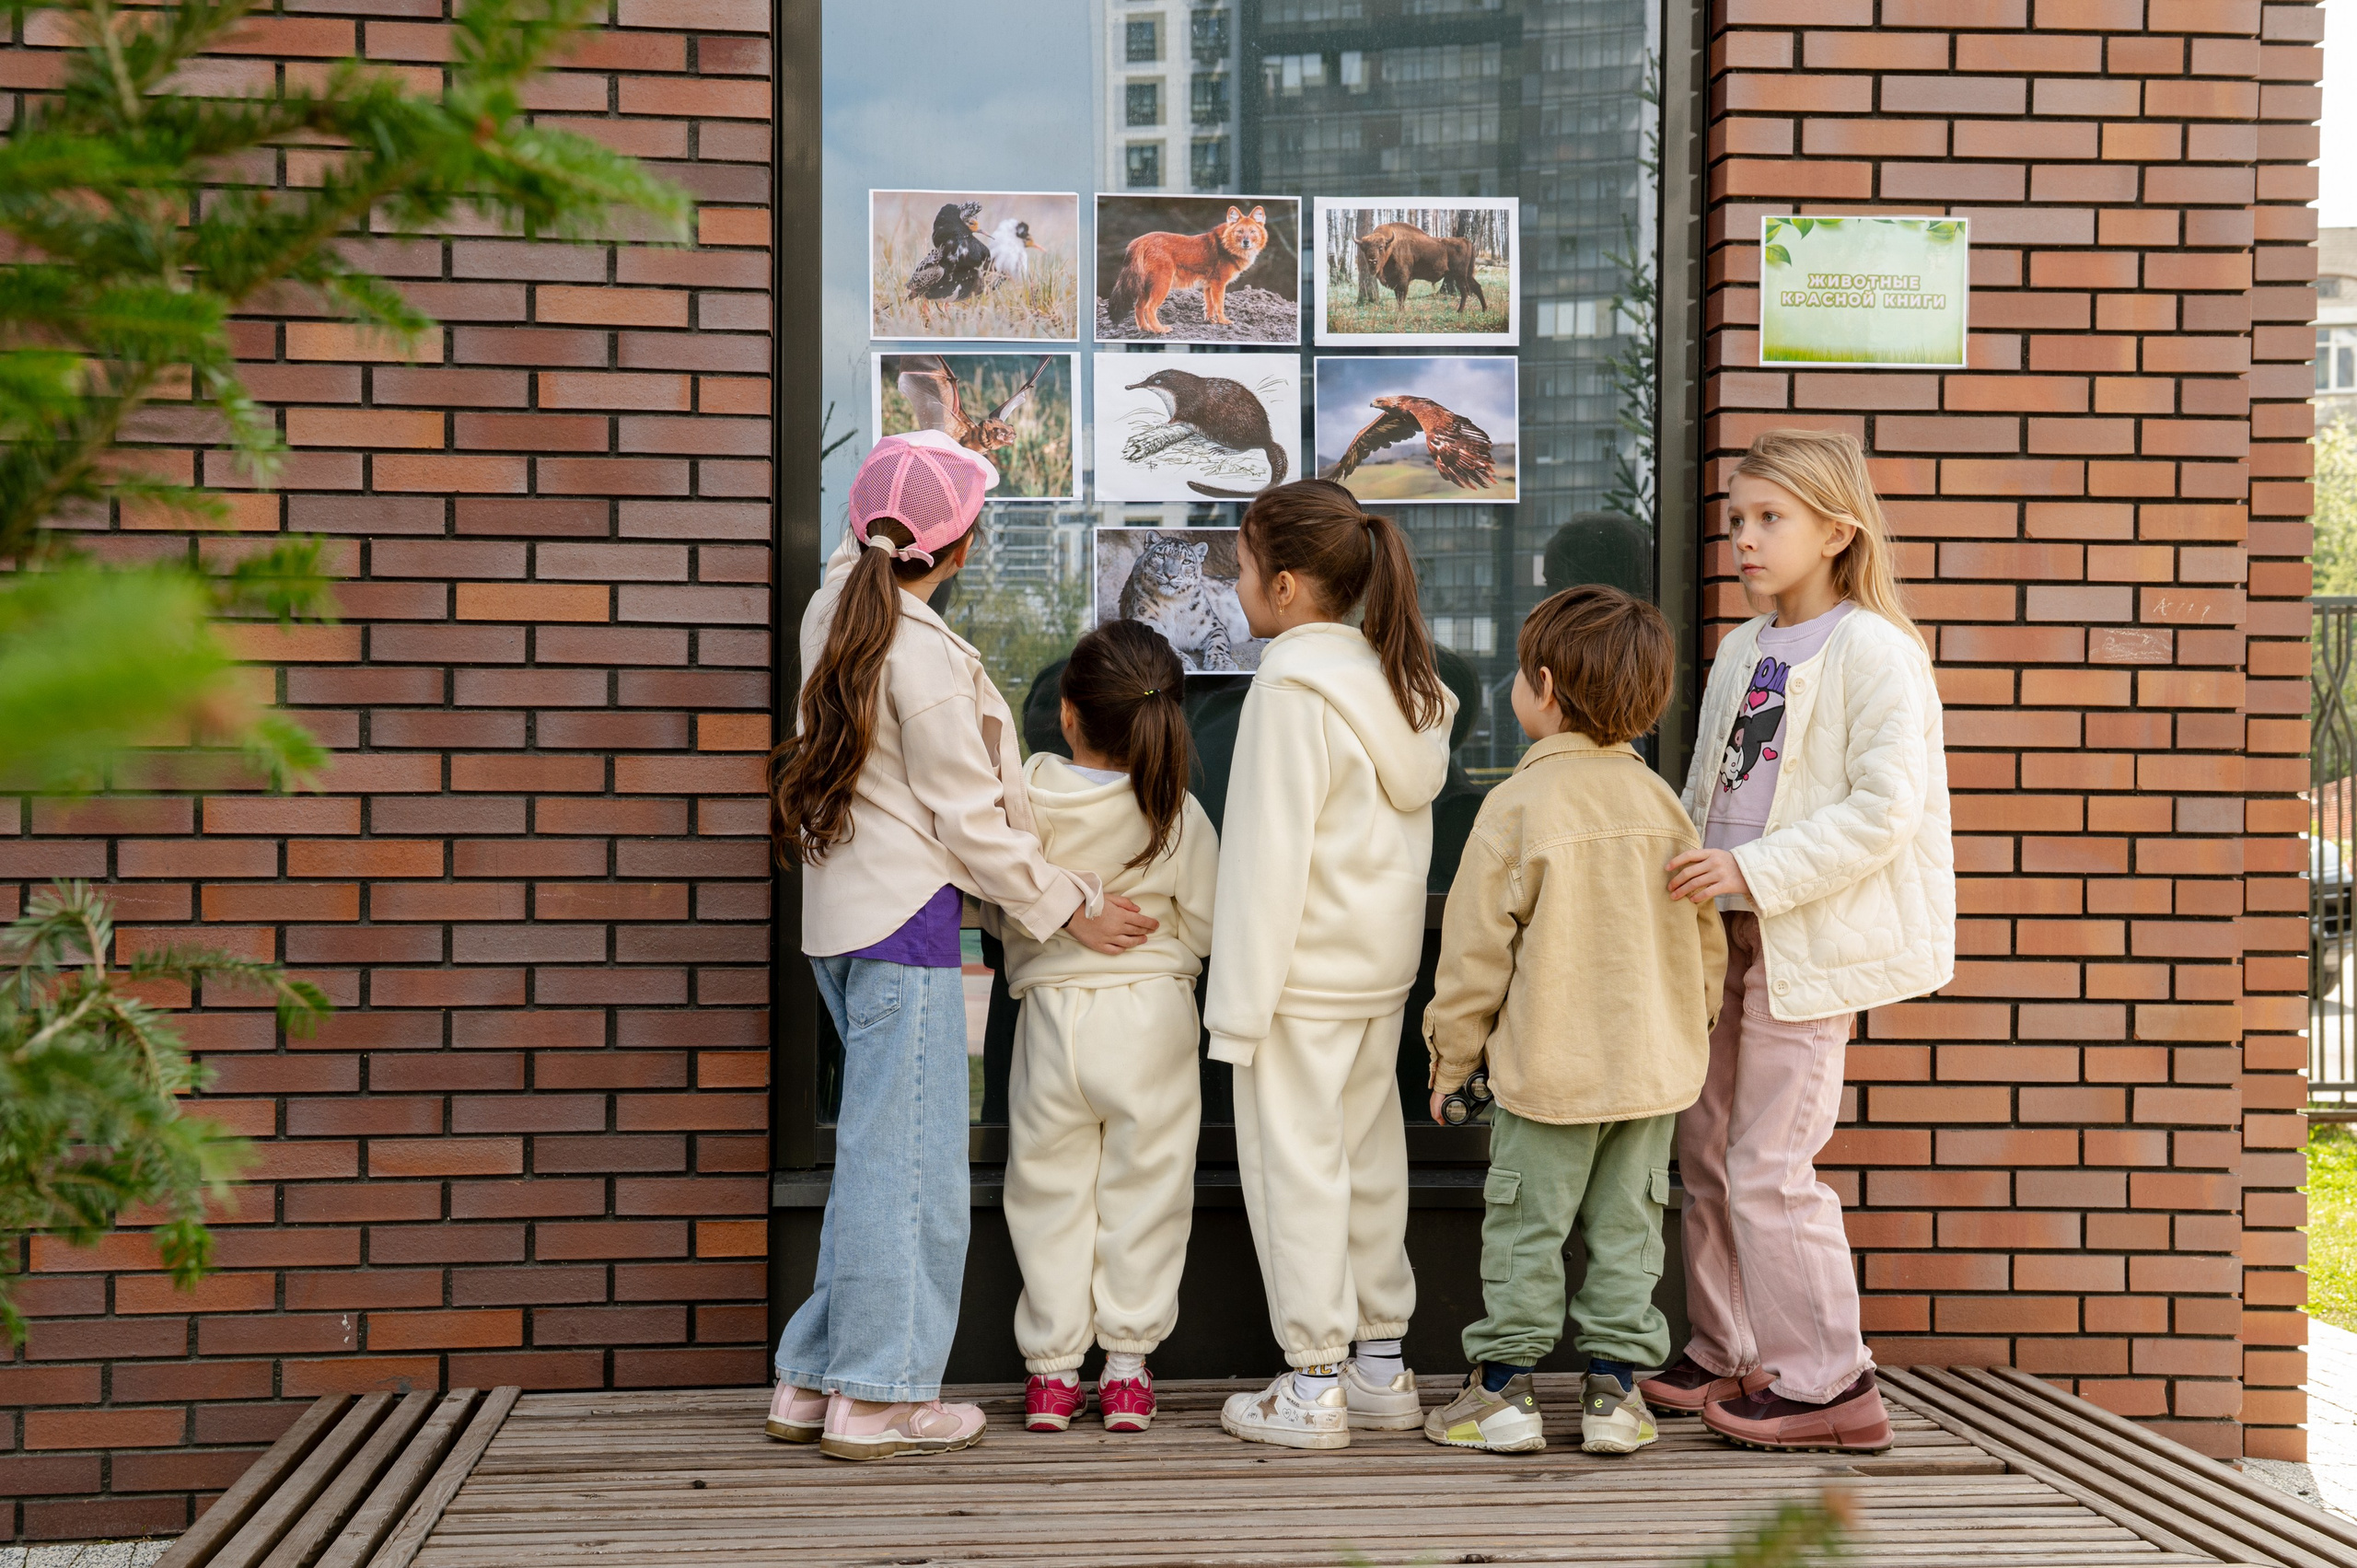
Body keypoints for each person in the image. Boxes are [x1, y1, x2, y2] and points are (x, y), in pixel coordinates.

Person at [765, 431, 1156, 1462]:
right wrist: (1071, 902)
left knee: (870, 1158)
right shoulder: (921, 652)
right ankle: (884, 1396)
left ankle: (815, 1375)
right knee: (914, 1170)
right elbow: (972, 824)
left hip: (842, 920)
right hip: (906, 927)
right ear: (963, 547)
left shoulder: (835, 605)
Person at [1643, 427, 1954, 1454]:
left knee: (1770, 1156)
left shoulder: (1876, 648)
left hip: (1806, 935)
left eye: (1769, 518)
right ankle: (1730, 1344)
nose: (1743, 538)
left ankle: (1831, 1380)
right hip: (1725, 930)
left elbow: (1884, 809)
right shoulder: (1744, 646)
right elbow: (1708, 791)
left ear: (1835, 529)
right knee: (1706, 1143)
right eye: (1736, 519)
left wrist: (1751, 871)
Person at [1418, 586, 1725, 1456]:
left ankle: (1504, 1392)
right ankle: (1617, 1393)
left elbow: (1474, 958)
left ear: (1543, 686)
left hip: (1547, 1072)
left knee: (1524, 1229)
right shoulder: (1665, 804)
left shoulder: (1516, 807)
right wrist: (1688, 1027)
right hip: (1651, 1077)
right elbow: (1707, 944)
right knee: (1630, 1232)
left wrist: (1451, 1065)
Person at [1206, 480, 1457, 1451]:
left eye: (1235, 568)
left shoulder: (1288, 686)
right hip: (1375, 976)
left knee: (1296, 1172)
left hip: (1296, 983)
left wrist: (1235, 1009)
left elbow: (1266, 859)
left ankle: (1311, 1385)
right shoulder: (1401, 685)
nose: (1234, 589)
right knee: (1368, 1161)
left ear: (1283, 583)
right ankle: (1381, 1366)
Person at [997, 621, 1218, 1436]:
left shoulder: (1023, 802)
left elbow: (1001, 900)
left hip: (1053, 1017)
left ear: (1067, 713)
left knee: (1046, 1189)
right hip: (1151, 1017)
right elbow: (1206, 921)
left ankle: (1052, 1375)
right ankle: (1126, 1370)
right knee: (1148, 1189)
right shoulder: (1177, 811)